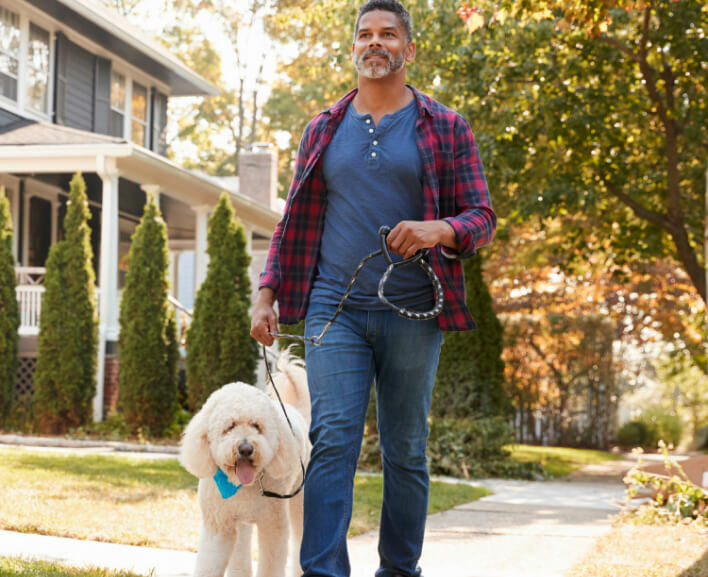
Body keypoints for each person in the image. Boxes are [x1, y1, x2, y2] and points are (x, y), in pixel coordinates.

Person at [250, 2, 496, 576]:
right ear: (353, 47)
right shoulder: (323, 127)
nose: (375, 42)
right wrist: (268, 290)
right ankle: (324, 572)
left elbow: (481, 214)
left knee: (404, 450)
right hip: (333, 308)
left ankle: (399, 570)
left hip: (413, 313)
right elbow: (292, 221)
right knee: (333, 438)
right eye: (365, 34)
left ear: (409, 49)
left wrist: (442, 229)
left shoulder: (446, 126)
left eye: (388, 34)